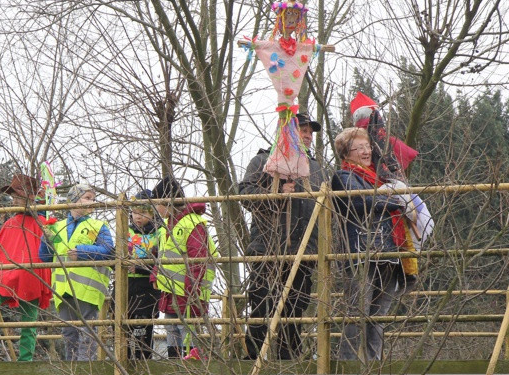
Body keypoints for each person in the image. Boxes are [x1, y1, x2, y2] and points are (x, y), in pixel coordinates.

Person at [238, 112, 325, 360]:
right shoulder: (263, 161)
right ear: (286, 133)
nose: (308, 136)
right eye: (302, 130)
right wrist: (275, 191)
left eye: (310, 132)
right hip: (267, 247)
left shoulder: (316, 168)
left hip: (304, 249)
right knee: (263, 304)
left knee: (295, 309)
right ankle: (251, 359)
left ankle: (289, 361)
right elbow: (244, 193)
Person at [332, 127, 416, 361]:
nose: (365, 151)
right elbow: (359, 202)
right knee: (357, 310)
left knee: (379, 316)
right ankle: (347, 364)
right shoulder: (344, 177)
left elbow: (380, 198)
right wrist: (394, 199)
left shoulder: (381, 177)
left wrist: (393, 195)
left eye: (367, 146)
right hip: (361, 252)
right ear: (345, 154)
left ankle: (374, 364)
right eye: (358, 148)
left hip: (389, 252)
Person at [0, 174, 52, 362]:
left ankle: (26, 360)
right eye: (13, 196)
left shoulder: (41, 222)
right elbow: (0, 254)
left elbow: (45, 253)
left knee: (29, 319)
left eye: (17, 195)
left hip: (31, 276)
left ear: (28, 197)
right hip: (8, 278)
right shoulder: (10, 223)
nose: (13, 199)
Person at [39, 183, 114, 361]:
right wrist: (45, 239)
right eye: (87, 197)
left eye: (93, 199)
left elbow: (108, 251)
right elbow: (45, 257)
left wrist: (82, 251)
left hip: (87, 288)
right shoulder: (56, 226)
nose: (92, 202)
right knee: (68, 332)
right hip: (63, 288)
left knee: (88, 331)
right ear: (73, 200)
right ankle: (71, 370)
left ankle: (85, 370)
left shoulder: (99, 225)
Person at [150, 176, 217, 359]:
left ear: (167, 201)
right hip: (172, 289)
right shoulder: (167, 227)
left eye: (157, 203)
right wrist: (156, 275)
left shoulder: (192, 224)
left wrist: (192, 287)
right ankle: (175, 361)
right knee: (171, 326)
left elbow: (199, 259)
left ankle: (191, 364)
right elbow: (163, 255)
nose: (155, 208)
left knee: (186, 328)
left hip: (189, 291)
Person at [125, 189, 160, 360]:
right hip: (127, 285)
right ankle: (124, 359)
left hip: (147, 286)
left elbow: (159, 258)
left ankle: (144, 359)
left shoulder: (158, 233)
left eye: (143, 212)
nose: (138, 216)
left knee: (144, 327)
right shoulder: (126, 232)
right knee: (124, 325)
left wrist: (138, 267)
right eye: (135, 212)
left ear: (152, 213)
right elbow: (115, 253)